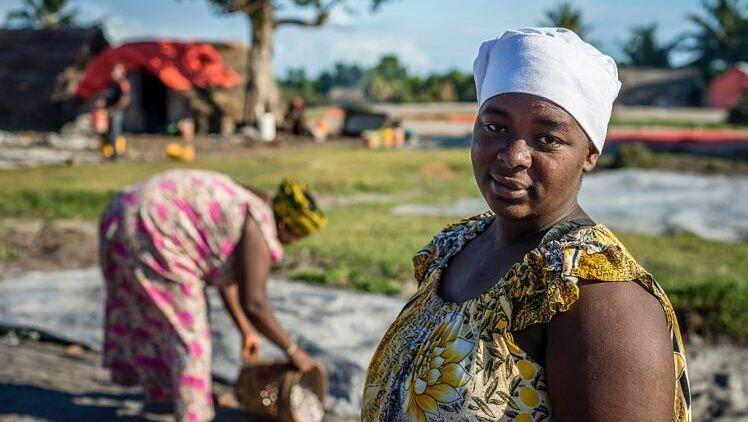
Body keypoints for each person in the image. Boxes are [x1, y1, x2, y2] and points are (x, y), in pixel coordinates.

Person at [362, 28, 690, 422]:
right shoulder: (457, 248)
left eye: (547, 138)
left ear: (589, 154)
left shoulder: (600, 299)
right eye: (496, 127)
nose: (513, 155)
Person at [99, 170, 327, 421]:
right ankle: (193, 413)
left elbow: (229, 279)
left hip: (123, 210)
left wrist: (246, 330)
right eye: (296, 235)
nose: (293, 243)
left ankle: (166, 393)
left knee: (153, 314)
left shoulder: (252, 202)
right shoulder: (261, 226)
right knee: (190, 335)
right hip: (155, 228)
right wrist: (293, 350)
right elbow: (255, 302)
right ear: (285, 225)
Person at [105, 63, 131, 159]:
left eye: (117, 71)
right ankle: (110, 152)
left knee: (116, 133)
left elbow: (126, 99)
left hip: (116, 112)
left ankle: (117, 154)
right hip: (109, 111)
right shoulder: (112, 83)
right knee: (109, 133)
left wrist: (116, 109)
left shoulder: (123, 83)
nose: (114, 73)